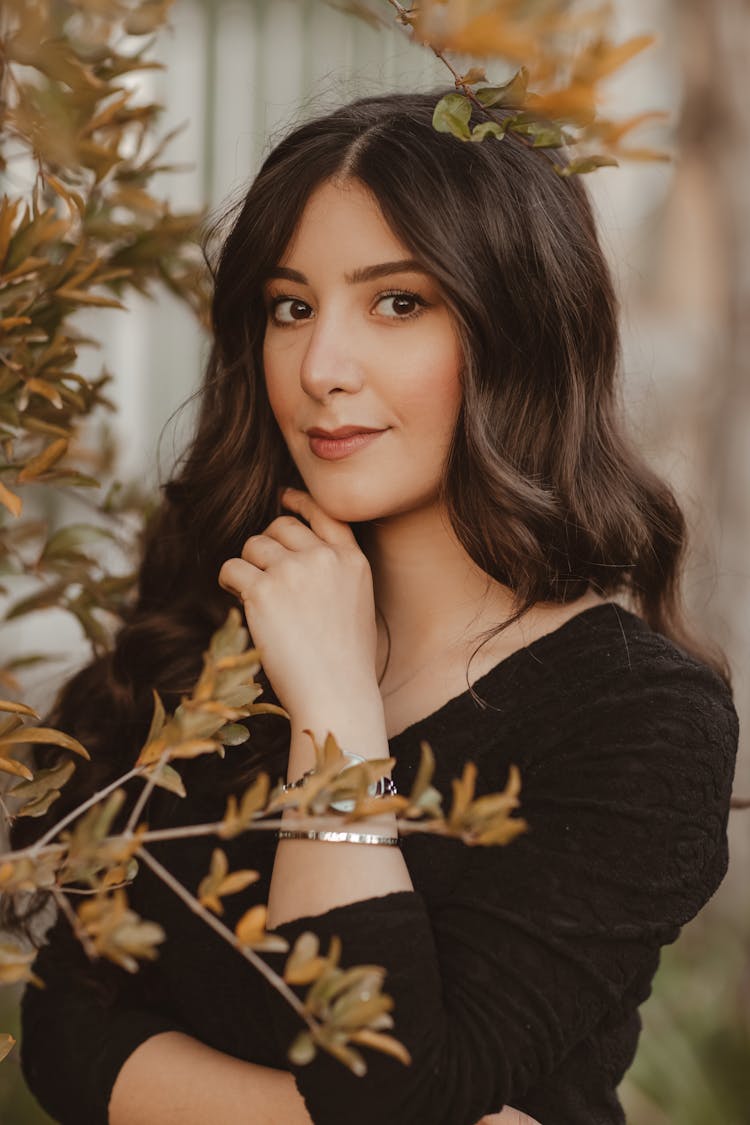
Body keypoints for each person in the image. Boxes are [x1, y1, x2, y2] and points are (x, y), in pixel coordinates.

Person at [11, 89, 738, 1125]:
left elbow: (388, 1082)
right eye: (290, 306)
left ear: (517, 328)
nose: (321, 369)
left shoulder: (640, 719)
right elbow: (68, 1033)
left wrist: (336, 716)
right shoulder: (210, 633)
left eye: (398, 302)